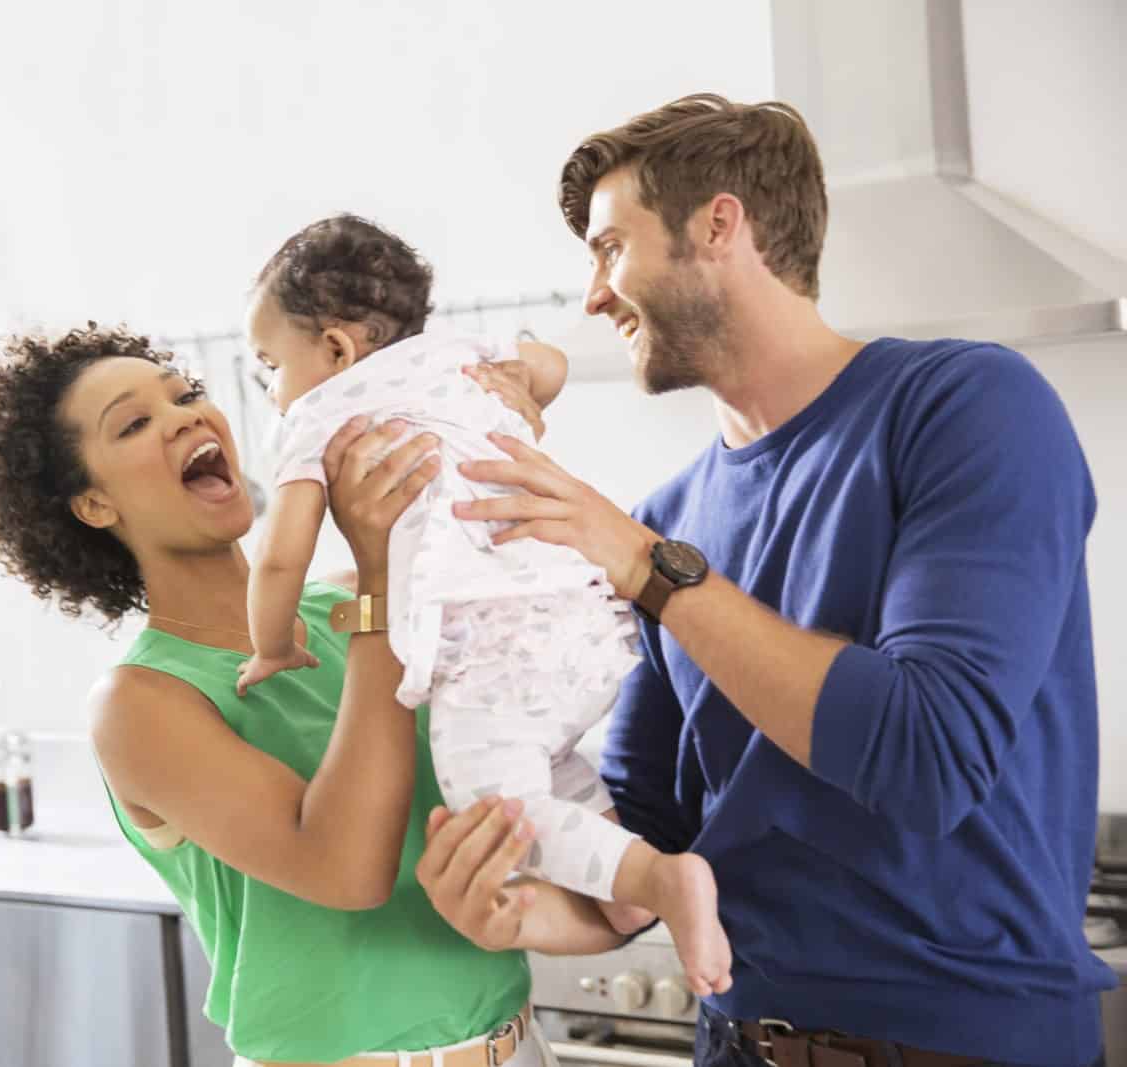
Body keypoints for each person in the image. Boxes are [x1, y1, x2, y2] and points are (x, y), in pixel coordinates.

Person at [413, 93, 1115, 1066]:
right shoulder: (670, 517)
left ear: (718, 224)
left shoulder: (968, 407)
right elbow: (648, 848)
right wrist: (523, 911)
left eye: (611, 246)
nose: (591, 296)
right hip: (738, 1040)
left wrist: (645, 568)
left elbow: (928, 750)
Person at [0, 324, 592, 1067]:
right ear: (95, 504)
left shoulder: (345, 609)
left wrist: (489, 411)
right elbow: (345, 868)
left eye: (186, 394)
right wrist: (383, 581)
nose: (184, 415)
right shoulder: (141, 701)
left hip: (520, 1046)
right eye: (133, 423)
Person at [238, 213, 731, 995]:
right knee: (550, 766)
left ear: (334, 350)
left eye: (270, 363)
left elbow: (279, 559)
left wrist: (271, 642)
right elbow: (551, 362)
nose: (271, 385)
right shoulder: (456, 355)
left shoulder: (317, 418)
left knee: (494, 798)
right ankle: (621, 889)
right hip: (584, 615)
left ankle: (663, 880)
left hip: (496, 646)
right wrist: (525, 389)